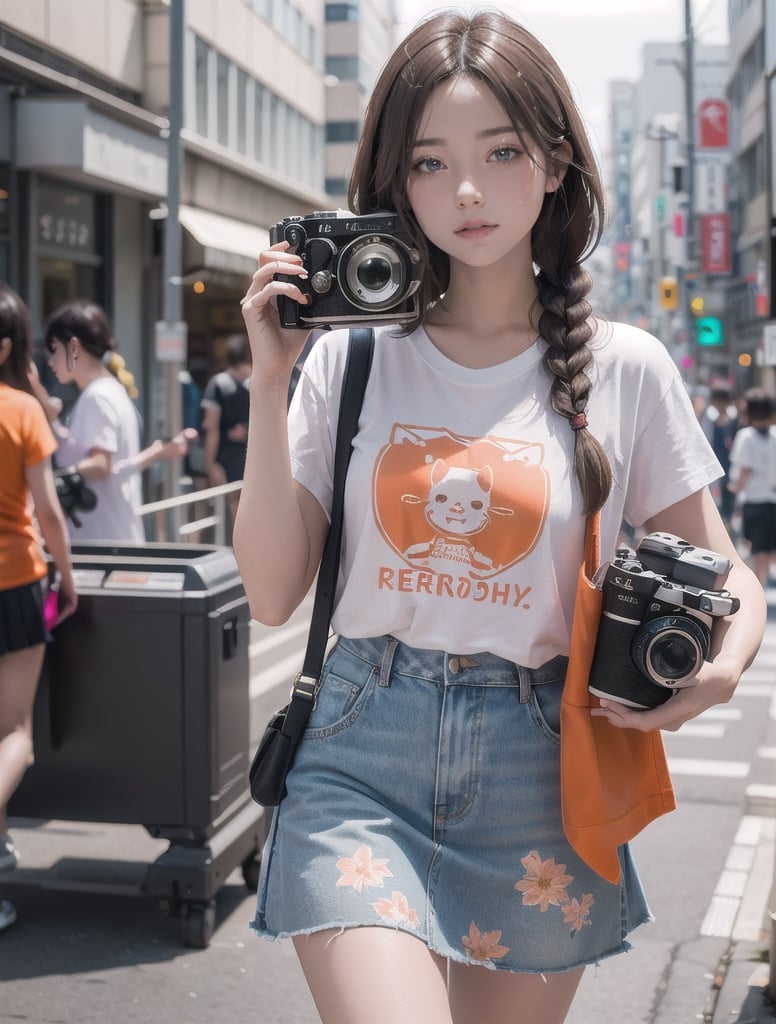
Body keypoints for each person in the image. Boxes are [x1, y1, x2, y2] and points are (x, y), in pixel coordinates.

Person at [234, 12, 767, 1023]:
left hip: (541, 765)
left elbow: (729, 573)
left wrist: (715, 672)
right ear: (395, 181)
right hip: (359, 754)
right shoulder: (348, 360)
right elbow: (268, 592)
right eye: (429, 163)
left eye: (500, 152)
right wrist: (269, 385)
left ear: (556, 161)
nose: (464, 191)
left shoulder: (625, 368)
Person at [0, 283, 78, 933]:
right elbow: (49, 513)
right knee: (13, 733)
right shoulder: (20, 411)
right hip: (14, 582)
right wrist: (69, 578)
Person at [32, 300, 194, 543]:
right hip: (113, 536)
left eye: (54, 349)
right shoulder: (110, 390)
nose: (50, 361)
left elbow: (101, 464)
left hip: (99, 542)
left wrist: (52, 481)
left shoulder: (97, 397)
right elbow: (102, 458)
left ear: (74, 347)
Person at [201, 333, 252, 529]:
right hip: (255, 456)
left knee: (229, 514)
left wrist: (209, 464)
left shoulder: (219, 383)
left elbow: (211, 427)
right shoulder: (261, 379)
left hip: (225, 458)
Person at [728, 387, 776, 587]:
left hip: (753, 502)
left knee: (757, 550)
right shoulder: (774, 435)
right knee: (770, 548)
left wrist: (735, 487)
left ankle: (760, 587)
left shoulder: (746, 436)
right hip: (772, 500)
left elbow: (744, 470)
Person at [701, 385, 738, 529]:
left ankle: (727, 520)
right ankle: (717, 521)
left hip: (730, 461)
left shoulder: (733, 416)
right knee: (713, 492)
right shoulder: (709, 416)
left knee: (728, 491)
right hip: (713, 457)